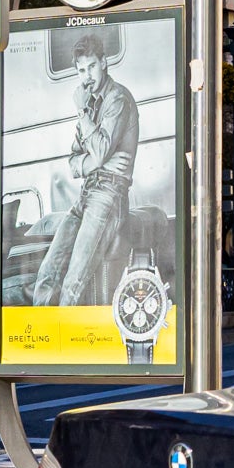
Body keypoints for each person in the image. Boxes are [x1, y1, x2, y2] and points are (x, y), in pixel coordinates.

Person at [35, 28, 137, 309]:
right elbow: (73, 162)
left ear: (104, 62)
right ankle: (40, 347)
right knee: (48, 273)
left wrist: (82, 115)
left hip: (109, 195)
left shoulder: (117, 99)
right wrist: (96, 162)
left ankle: (69, 347)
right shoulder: (91, 104)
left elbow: (101, 149)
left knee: (73, 282)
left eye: (91, 66)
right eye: (81, 71)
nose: (87, 76)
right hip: (87, 193)